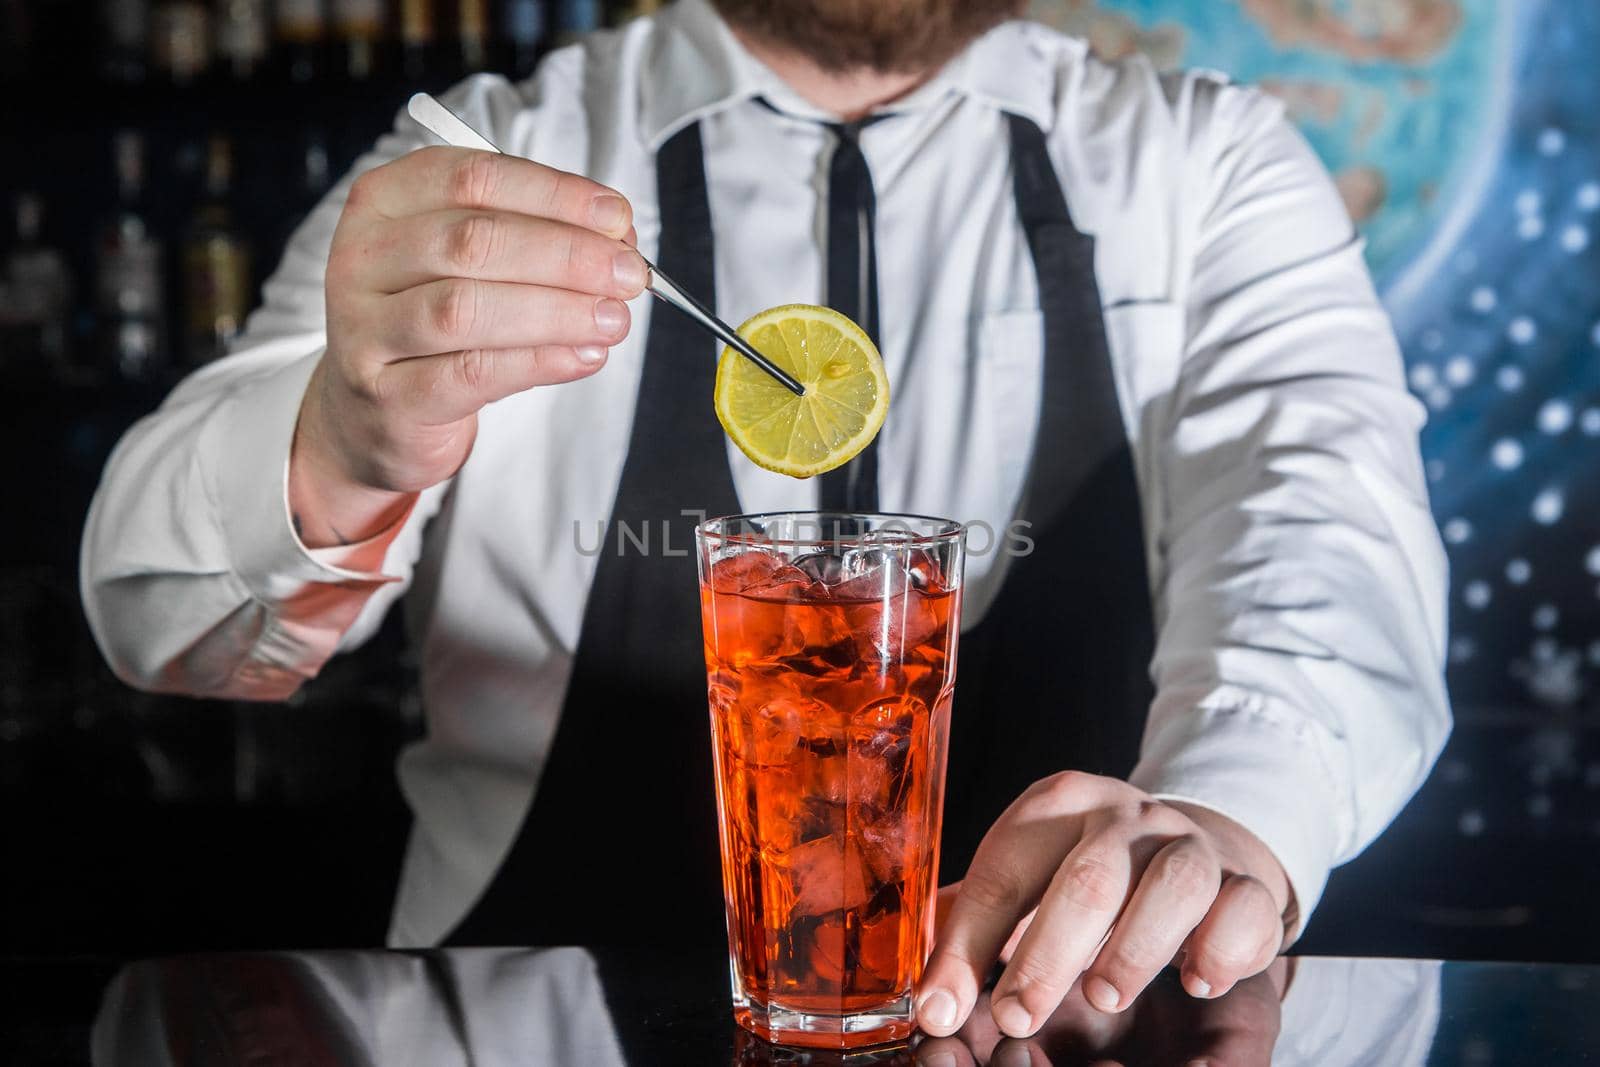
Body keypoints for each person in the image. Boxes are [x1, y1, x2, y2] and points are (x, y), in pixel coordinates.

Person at [80, 0, 1451, 1042]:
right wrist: (341, 440)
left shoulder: (1202, 164)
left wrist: (1225, 815)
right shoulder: (503, 149)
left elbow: (1327, 538)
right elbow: (163, 621)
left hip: (1067, 1034)